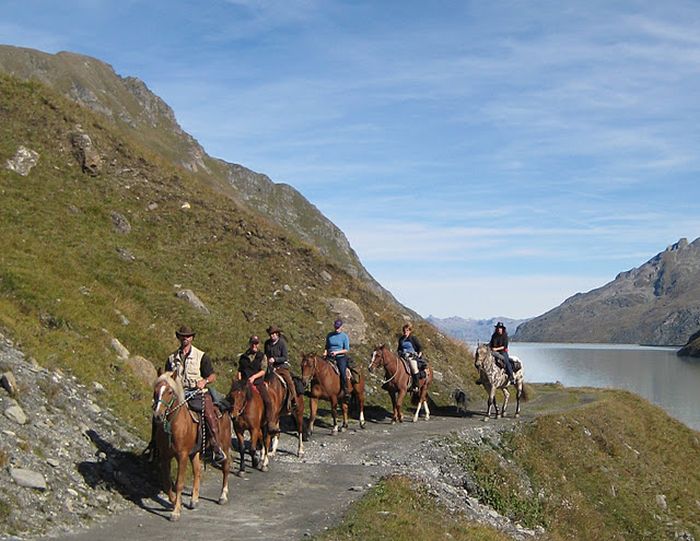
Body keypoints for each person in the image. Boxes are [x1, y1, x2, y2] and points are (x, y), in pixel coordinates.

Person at [165, 325, 225, 464]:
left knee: (209, 415)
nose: (185, 338)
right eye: (183, 336)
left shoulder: (201, 356)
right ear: (179, 338)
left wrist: (204, 381)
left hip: (197, 392)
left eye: (188, 336)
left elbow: (212, 375)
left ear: (192, 338)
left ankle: (216, 448)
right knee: (160, 413)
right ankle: (155, 445)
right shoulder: (171, 358)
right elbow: (168, 376)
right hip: (178, 393)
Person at [238, 335, 278, 433]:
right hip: (245, 383)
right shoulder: (243, 357)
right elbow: (239, 370)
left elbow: (263, 370)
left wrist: (254, 377)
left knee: (268, 401)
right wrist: (239, 381)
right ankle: (234, 418)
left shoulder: (262, 356)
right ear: (250, 344)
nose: (254, 345)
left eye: (256, 343)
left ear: (258, 344)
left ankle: (270, 422)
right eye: (252, 343)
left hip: (257, 383)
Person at [264, 324, 298, 412]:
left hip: (281, 367)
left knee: (289, 381)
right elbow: (266, 355)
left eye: (274, 334)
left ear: (277, 334)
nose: (272, 336)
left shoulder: (282, 343)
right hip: (270, 367)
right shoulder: (267, 343)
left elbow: (285, 357)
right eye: (271, 334)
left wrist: (275, 359)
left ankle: (294, 399)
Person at [324, 319, 351, 403]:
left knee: (342, 372)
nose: (337, 329)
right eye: (336, 327)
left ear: (341, 327)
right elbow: (327, 346)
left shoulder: (344, 336)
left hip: (340, 356)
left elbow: (346, 349)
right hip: (330, 356)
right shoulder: (329, 335)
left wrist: (337, 352)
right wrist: (325, 352)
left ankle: (345, 389)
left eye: (338, 327)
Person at [397, 323, 423, 391]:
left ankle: (416, 385)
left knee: (414, 368)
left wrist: (418, 355)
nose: (405, 332)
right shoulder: (401, 339)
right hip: (403, 356)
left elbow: (419, 347)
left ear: (410, 331)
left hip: (411, 356)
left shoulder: (413, 338)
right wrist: (400, 353)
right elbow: (399, 349)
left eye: (407, 330)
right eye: (404, 331)